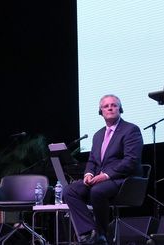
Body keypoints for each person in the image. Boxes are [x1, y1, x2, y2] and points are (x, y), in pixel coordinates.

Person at [63, 94, 143, 244]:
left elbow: (131, 161)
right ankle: (89, 232)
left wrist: (106, 175)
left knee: (97, 191)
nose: (110, 108)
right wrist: (88, 174)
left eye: (114, 105)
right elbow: (93, 160)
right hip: (100, 179)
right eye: (106, 106)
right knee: (69, 191)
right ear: (101, 112)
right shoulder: (98, 135)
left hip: (123, 179)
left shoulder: (131, 130)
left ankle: (102, 234)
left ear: (120, 108)